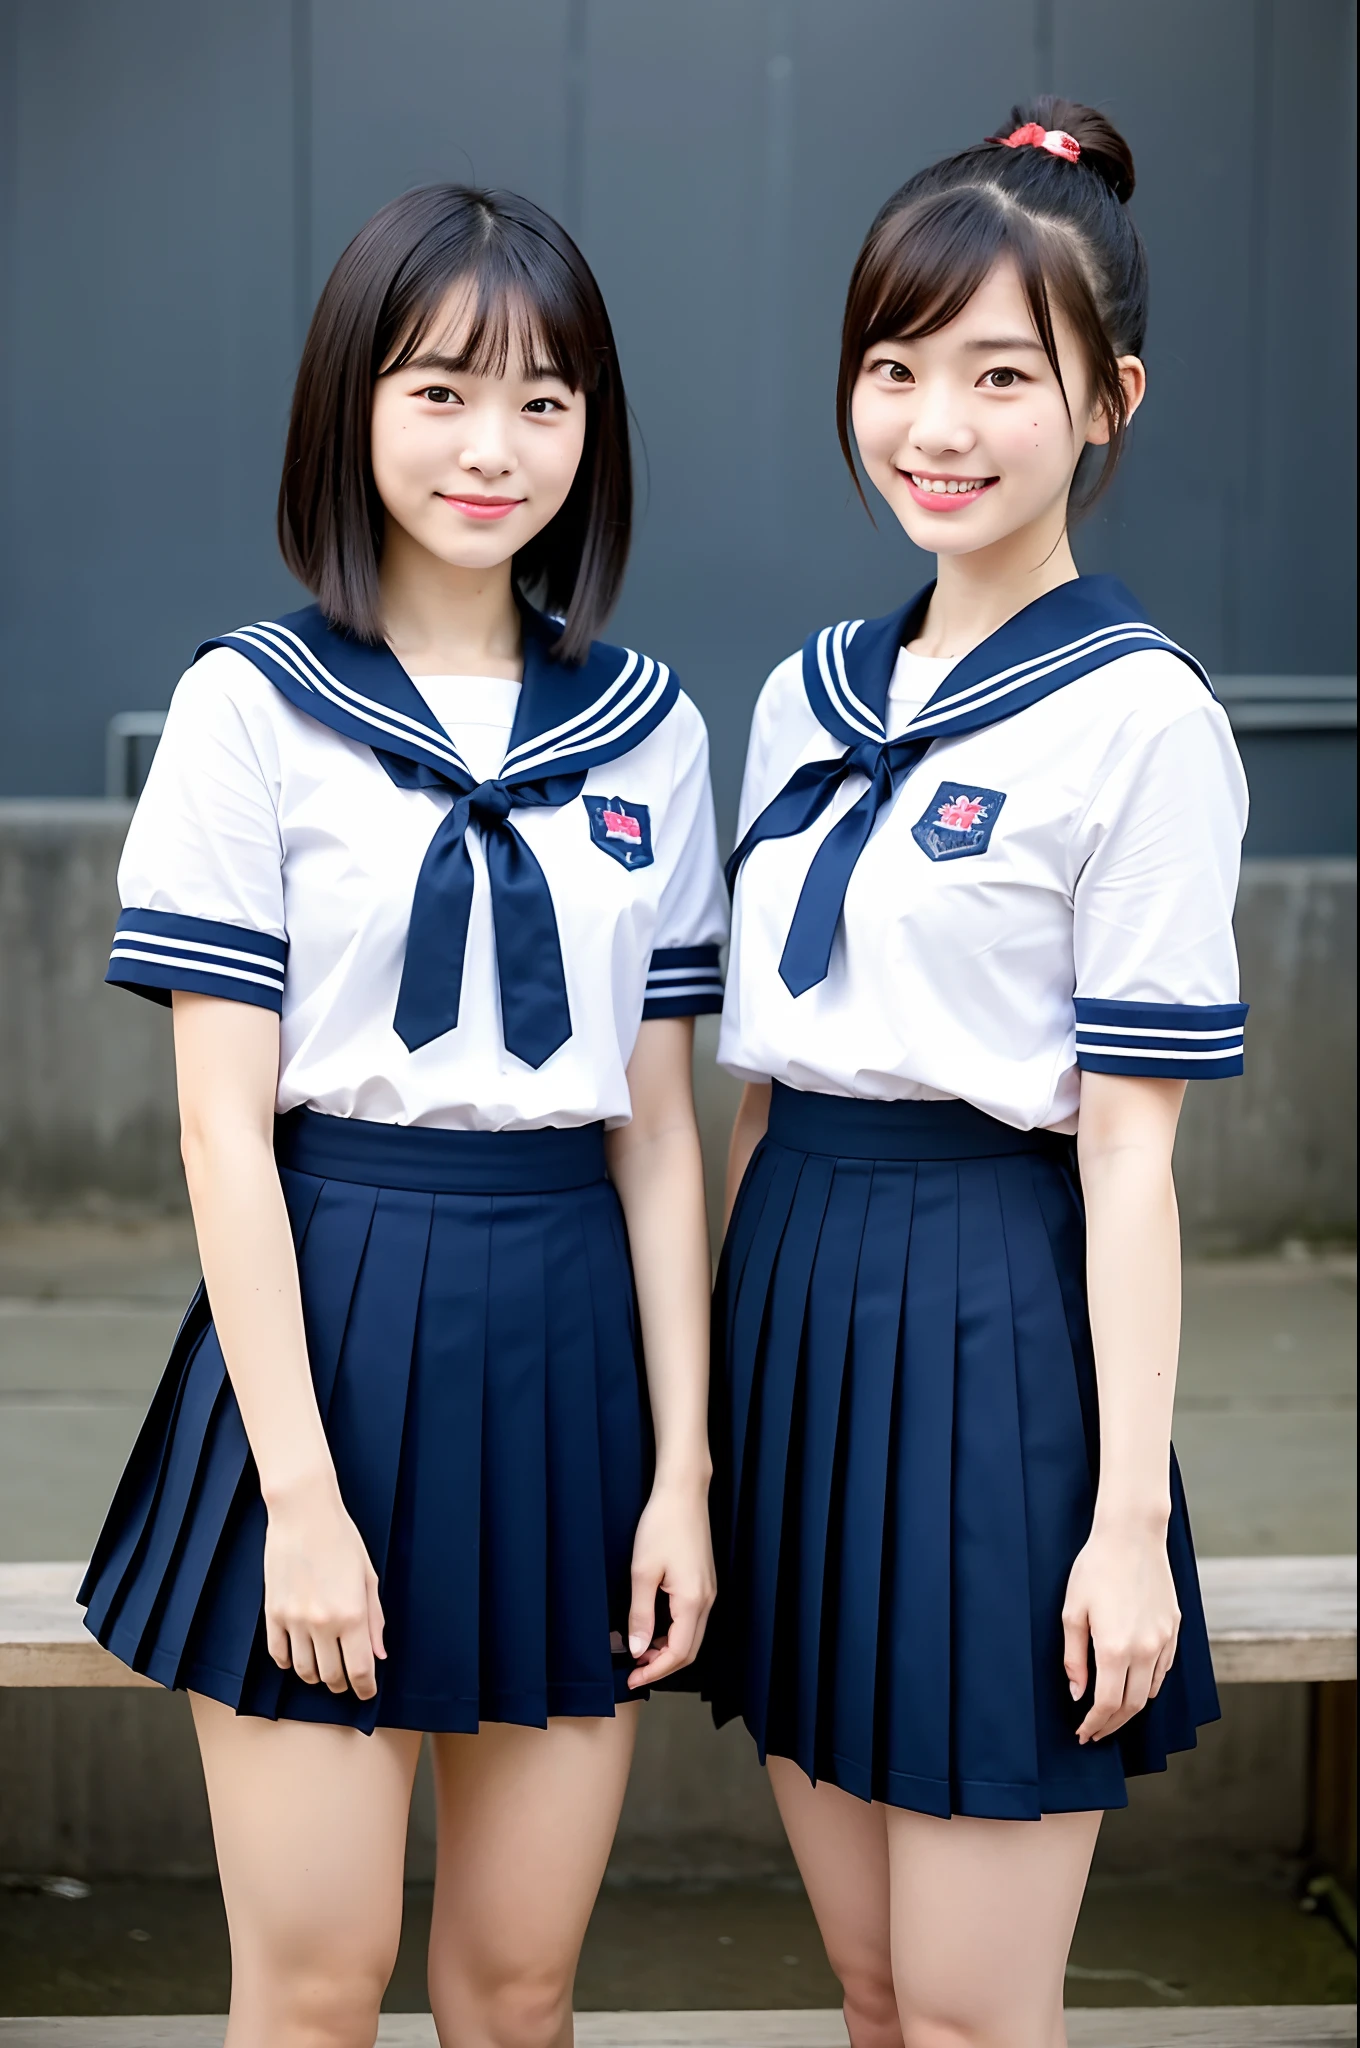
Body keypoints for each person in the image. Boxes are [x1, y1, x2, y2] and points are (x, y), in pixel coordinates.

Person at [80, 184, 724, 2048]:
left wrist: (680, 1476)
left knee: (518, 1987)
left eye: (544, 400)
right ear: (350, 407)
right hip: (328, 1325)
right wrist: (298, 1498)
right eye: (441, 390)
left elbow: (661, 1133)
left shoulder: (654, 731)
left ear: (592, 431)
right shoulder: (250, 710)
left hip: (572, 1361)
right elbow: (221, 1133)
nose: (492, 447)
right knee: (314, 1981)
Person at [711, 100, 1246, 2047]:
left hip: (993, 1322)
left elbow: (1125, 1159)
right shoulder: (796, 692)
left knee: (964, 2011)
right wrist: (699, 1422)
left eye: (997, 374)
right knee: (863, 1981)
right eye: (893, 364)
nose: (933, 423)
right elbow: (755, 1087)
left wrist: (1116, 1523)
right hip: (790, 1302)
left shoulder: (1141, 723)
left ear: (1105, 401)